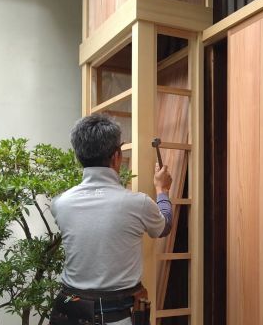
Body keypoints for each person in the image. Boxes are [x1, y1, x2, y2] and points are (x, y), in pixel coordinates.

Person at [50, 114, 172, 325]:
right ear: (117, 156)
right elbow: (164, 226)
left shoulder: (60, 203)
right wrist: (162, 190)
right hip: (118, 316)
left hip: (69, 312)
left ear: (78, 156)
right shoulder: (138, 203)